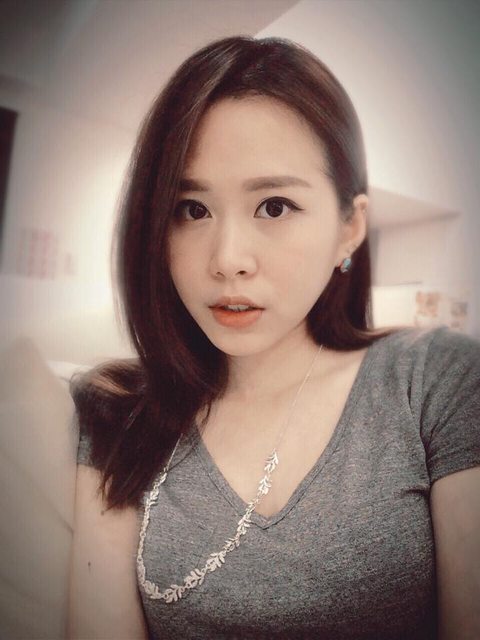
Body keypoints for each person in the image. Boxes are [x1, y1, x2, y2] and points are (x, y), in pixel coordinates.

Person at [68, 36, 480, 640]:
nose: (228, 260)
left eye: (275, 206)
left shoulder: (437, 381)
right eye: (192, 209)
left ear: (349, 228)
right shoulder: (116, 408)